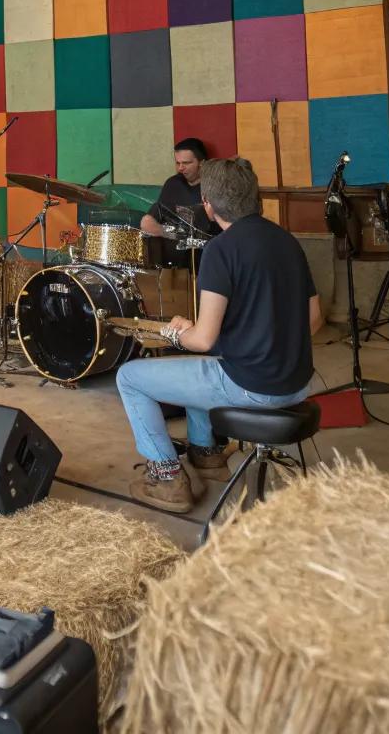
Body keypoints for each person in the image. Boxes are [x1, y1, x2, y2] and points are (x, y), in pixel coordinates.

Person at [117, 157, 321, 514]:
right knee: (200, 368)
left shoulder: (220, 249)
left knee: (130, 377)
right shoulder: (287, 241)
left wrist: (178, 334)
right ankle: (206, 453)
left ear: (208, 204)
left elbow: (204, 340)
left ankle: (167, 478)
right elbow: (314, 319)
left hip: (253, 387)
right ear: (253, 198)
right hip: (298, 382)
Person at [139, 138, 219, 264]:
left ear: (202, 163)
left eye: (186, 163)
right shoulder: (173, 183)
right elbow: (153, 218)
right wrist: (149, 220)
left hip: (203, 260)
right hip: (170, 264)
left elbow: (202, 231)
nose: (180, 168)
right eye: (178, 163)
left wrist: (163, 231)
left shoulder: (215, 187)